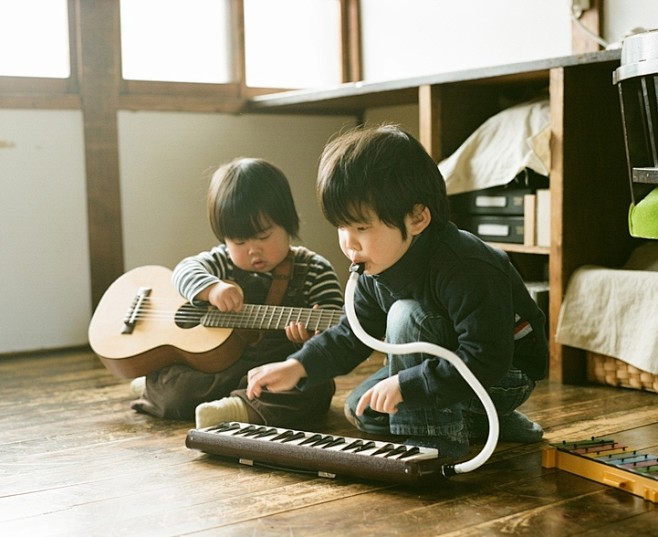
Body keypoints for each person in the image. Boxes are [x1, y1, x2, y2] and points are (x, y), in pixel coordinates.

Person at [245, 125, 548, 460]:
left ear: (417, 218)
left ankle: (435, 447)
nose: (349, 242)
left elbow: (486, 356)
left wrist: (408, 386)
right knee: (364, 410)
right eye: (342, 228)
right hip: (453, 368)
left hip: (502, 374)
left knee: (406, 315)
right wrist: (299, 366)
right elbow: (351, 334)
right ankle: (487, 423)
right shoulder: (373, 267)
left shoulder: (467, 265)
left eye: (361, 227)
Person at [130, 157, 343, 428]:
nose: (253, 250)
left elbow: (334, 326)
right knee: (178, 389)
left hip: (278, 368)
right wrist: (211, 288)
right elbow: (182, 272)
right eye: (239, 241)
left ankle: (236, 409)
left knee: (316, 390)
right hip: (218, 368)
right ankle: (155, 389)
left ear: (289, 224)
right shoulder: (221, 262)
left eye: (264, 236)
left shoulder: (315, 269)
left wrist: (313, 338)